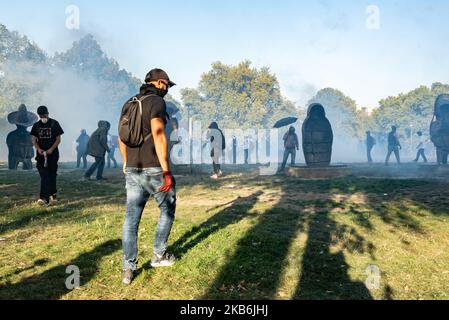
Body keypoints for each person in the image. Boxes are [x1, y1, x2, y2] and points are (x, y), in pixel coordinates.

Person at [118, 68, 177, 285]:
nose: (167, 89)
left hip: (133, 168)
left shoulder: (129, 103)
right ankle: (159, 255)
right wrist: (166, 170)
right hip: (154, 169)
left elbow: (121, 137)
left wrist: (126, 162)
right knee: (167, 209)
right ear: (160, 83)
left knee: (131, 219)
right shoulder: (157, 103)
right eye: (167, 85)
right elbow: (159, 135)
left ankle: (128, 268)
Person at [30, 106, 64, 206]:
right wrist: (38, 149)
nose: (43, 117)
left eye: (44, 115)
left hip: (52, 155)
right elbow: (34, 140)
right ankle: (43, 198)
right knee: (44, 175)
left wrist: (51, 149)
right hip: (41, 155)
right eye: (41, 116)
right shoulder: (36, 125)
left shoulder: (54, 123)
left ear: (47, 113)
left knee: (52, 175)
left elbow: (58, 139)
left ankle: (53, 194)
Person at [6, 104, 37, 170]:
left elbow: (10, 152)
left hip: (20, 158)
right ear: (27, 124)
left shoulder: (11, 135)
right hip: (25, 158)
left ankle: (13, 166)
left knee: (13, 161)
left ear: (16, 124)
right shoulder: (31, 136)